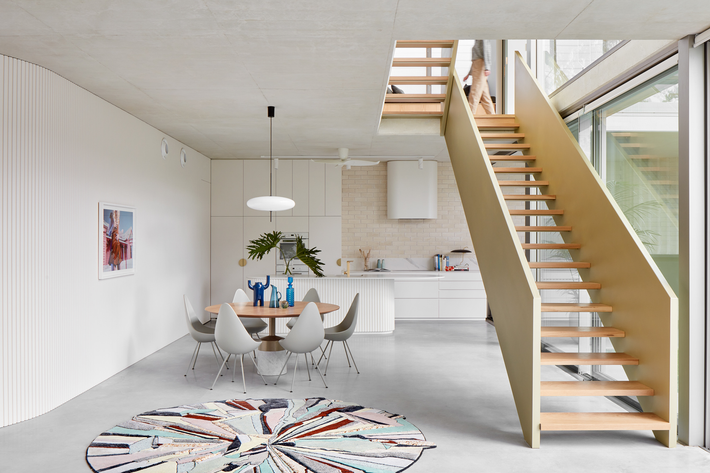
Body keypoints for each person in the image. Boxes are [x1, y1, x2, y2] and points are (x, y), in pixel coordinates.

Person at [463, 40, 495, 115]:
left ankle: (469, 118)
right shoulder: (477, 39)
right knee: (485, 97)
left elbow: (486, 50)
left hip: (480, 65)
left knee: (474, 93)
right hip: (477, 65)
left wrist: (487, 67)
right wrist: (469, 73)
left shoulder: (482, 37)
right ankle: (493, 117)